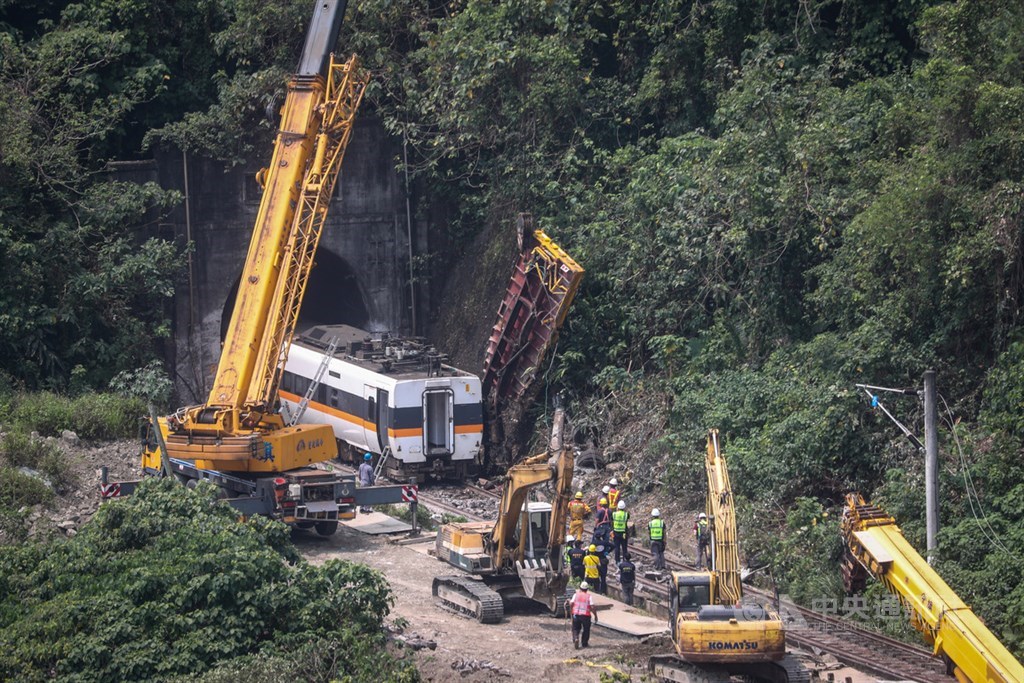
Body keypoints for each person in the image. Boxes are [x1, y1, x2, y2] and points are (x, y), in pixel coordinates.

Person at [568, 581, 598, 649]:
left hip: (576, 615)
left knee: (575, 628)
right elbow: (592, 607)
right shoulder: (589, 596)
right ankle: (584, 643)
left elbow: (571, 603)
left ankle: (576, 638)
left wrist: (571, 611)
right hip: (586, 616)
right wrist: (595, 616)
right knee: (586, 629)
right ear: (587, 589)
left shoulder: (576, 595)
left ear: (580, 588)